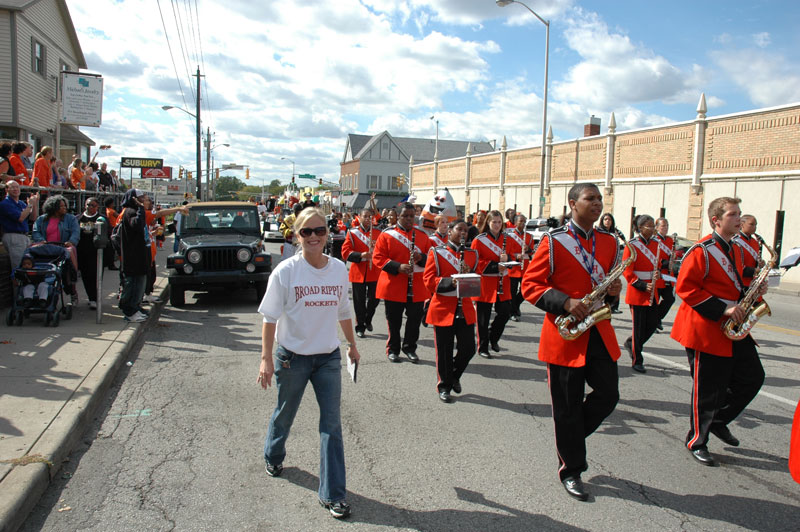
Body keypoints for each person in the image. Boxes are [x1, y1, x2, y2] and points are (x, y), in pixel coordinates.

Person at [521, 182, 622, 501]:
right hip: (565, 333)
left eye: (600, 199)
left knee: (608, 395)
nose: (597, 203)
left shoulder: (609, 242)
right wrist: (564, 302)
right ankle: (572, 469)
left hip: (598, 330)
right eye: (590, 198)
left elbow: (607, 285)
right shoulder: (554, 241)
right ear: (572, 203)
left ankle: (570, 437)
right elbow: (530, 285)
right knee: (566, 407)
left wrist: (614, 293)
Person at [257, 207, 360, 520]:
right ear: (296, 236)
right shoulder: (286, 272)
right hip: (292, 358)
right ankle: (273, 454)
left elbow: (343, 310)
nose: (314, 237)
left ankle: (333, 494)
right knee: (284, 413)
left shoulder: (339, 269)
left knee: (331, 424)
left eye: (320, 231)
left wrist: (352, 345)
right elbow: (270, 317)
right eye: (307, 232)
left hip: (328, 357)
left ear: (328, 234)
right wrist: (266, 359)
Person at [671, 196, 765, 467]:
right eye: (733, 215)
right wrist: (721, 309)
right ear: (717, 220)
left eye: (739, 214)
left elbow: (734, 286)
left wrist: (753, 293)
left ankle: (718, 420)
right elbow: (686, 289)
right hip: (705, 329)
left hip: (731, 327)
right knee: (708, 389)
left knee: (753, 377)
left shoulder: (735, 249)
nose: (739, 219)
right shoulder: (701, 250)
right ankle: (697, 440)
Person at [423, 219, 478, 403]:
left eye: (465, 230)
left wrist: (469, 277)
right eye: (459, 229)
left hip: (465, 308)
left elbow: (477, 281)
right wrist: (450, 282)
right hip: (443, 308)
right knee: (444, 351)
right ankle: (444, 386)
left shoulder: (472, 254)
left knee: (469, 348)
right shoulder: (437, 252)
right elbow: (429, 280)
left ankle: (454, 375)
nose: (463, 233)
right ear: (450, 231)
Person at [373, 202, 431, 363]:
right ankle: (393, 349)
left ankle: (410, 348)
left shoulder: (422, 235)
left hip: (417, 286)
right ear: (398, 215)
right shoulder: (387, 234)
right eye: (405, 216)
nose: (409, 219)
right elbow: (378, 258)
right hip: (394, 284)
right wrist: (398, 267)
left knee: (414, 321)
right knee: (394, 321)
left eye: (412, 216)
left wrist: (421, 258)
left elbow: (431, 259)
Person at [622, 215, 662, 374]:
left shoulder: (656, 244)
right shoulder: (632, 245)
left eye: (653, 226)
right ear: (640, 227)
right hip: (638, 291)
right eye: (648, 226)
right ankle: (637, 359)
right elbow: (627, 270)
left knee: (652, 324)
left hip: (652, 290)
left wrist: (657, 274)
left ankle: (631, 343)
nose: (652, 229)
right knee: (638, 328)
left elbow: (657, 265)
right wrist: (641, 284)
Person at [471, 210, 512, 358]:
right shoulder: (479, 239)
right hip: (486, 283)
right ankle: (482, 346)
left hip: (503, 282)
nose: (497, 225)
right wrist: (495, 266)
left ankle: (493, 337)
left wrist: (508, 259)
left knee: (505, 312)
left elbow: (514, 256)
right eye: (494, 222)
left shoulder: (508, 238)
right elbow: (475, 262)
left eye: (499, 222)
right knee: (483, 317)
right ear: (488, 223)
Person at [31, 194, 80, 304]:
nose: (64, 208)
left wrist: (71, 242)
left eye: (65, 206)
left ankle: (72, 291)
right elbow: (36, 231)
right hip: (47, 249)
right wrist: (40, 240)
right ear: (53, 207)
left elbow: (75, 232)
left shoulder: (70, 219)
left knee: (67, 271)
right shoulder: (42, 219)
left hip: (63, 248)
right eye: (61, 206)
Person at [341, 208, 381, 338]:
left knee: (374, 300)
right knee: (359, 302)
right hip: (358, 271)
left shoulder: (378, 232)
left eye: (370, 216)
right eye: (365, 216)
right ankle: (360, 326)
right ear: (359, 217)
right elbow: (345, 252)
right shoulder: (353, 233)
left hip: (374, 271)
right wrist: (361, 255)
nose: (368, 219)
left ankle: (368, 319)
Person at [117, 190, 150, 323]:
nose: (144, 199)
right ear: (134, 199)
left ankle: (135, 307)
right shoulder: (130, 212)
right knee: (133, 283)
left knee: (140, 282)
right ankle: (129, 310)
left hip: (140, 254)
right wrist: (141, 209)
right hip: (133, 255)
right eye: (141, 198)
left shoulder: (135, 211)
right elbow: (137, 225)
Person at [0, 181, 39, 268]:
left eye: (17, 187)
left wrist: (34, 204)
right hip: (13, 236)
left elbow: (33, 218)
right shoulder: (5, 204)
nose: (16, 189)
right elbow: (20, 218)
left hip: (24, 236)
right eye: (12, 187)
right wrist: (30, 205)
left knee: (27, 265)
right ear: (6, 189)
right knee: (18, 267)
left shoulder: (21, 203)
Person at [76, 197, 104, 309]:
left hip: (97, 253)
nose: (90, 207)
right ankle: (91, 298)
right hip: (82, 253)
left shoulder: (101, 219)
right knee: (86, 276)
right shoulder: (78, 219)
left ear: (97, 207)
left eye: (93, 205)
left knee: (96, 276)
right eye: (88, 205)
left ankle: (96, 297)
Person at [506, 213, 534, 322]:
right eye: (520, 221)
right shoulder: (509, 235)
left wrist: (528, 250)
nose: (522, 223)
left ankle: (515, 305)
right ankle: (513, 312)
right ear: (515, 222)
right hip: (514, 267)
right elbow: (507, 252)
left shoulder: (529, 236)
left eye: (524, 221)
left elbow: (532, 251)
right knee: (512, 292)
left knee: (525, 291)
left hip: (525, 267)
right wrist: (516, 256)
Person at [597, 213, 625, 313]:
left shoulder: (615, 234)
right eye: (605, 219)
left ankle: (614, 306)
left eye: (609, 220)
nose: (607, 221)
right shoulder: (599, 233)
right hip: (603, 262)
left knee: (615, 283)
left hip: (614, 262)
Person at [654, 217, 676, 331]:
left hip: (668, 275)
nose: (665, 228)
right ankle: (655, 321)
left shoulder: (670, 240)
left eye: (667, 226)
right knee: (656, 299)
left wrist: (673, 258)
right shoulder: (654, 240)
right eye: (663, 226)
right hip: (659, 275)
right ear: (657, 227)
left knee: (670, 299)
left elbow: (672, 254)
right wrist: (665, 263)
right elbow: (654, 257)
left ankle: (657, 319)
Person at [734, 215, 763, 289]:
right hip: (739, 282)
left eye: (756, 225)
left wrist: (760, 264)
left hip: (752, 282)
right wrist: (754, 271)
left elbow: (755, 260)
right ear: (742, 224)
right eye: (751, 224)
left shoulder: (755, 242)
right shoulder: (735, 241)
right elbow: (735, 264)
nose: (755, 227)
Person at [103, 197, 119, 269]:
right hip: (113, 229)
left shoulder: (107, 210)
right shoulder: (112, 211)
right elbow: (119, 216)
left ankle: (109, 263)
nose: (113, 204)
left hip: (109, 229)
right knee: (112, 248)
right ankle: (111, 265)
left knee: (110, 248)